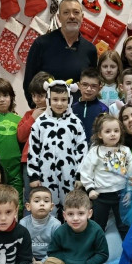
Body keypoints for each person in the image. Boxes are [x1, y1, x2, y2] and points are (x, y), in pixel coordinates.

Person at [27, 80, 87, 218]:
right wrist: (34, 175)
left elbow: (82, 150)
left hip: (69, 173)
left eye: (63, 100)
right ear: (48, 99)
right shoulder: (40, 123)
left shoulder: (75, 122)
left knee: (71, 205)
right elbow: (33, 150)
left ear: (69, 100)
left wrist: (80, 175)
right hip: (45, 174)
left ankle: (70, 232)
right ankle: (50, 234)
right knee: (48, 205)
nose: (59, 104)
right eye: (55, 99)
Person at [23, 0, 97, 106]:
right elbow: (29, 81)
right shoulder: (41, 44)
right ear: (59, 17)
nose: (71, 16)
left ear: (82, 17)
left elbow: (92, 84)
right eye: (66, 12)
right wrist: (36, 107)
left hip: (77, 113)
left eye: (76, 12)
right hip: (47, 113)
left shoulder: (90, 49)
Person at [44, 190, 113, 264]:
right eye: (70, 214)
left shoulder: (96, 230)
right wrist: (69, 262)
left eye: (81, 213)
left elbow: (103, 254)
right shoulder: (60, 231)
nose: (75, 218)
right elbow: (53, 252)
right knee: (49, 262)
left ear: (89, 214)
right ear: (64, 215)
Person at [78, 113, 132, 239]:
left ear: (121, 132)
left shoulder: (125, 150)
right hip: (101, 196)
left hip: (121, 195)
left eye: (116, 131)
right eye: (108, 131)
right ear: (100, 134)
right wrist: (90, 189)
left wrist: (130, 191)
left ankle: (128, 252)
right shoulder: (95, 151)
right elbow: (86, 171)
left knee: (124, 225)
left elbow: (131, 172)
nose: (113, 134)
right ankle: (97, 251)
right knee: (99, 225)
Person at [16, 71, 53, 208]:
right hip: (29, 161)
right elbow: (21, 136)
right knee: (30, 196)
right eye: (34, 95)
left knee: (50, 194)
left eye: (41, 95)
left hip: (50, 161)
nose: (37, 99)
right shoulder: (29, 114)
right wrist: (33, 118)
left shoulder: (56, 115)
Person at [19, 185, 61, 264]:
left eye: (46, 201)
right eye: (37, 201)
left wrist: (42, 262)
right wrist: (30, 258)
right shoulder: (23, 223)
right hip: (30, 258)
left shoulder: (56, 225)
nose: (42, 204)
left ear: (51, 206)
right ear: (28, 206)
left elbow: (56, 249)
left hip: (49, 258)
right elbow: (21, 246)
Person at [72, 67, 109, 144]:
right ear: (79, 85)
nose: (89, 89)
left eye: (94, 86)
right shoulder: (71, 108)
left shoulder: (103, 109)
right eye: (85, 85)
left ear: (100, 88)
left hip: (95, 151)